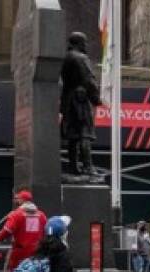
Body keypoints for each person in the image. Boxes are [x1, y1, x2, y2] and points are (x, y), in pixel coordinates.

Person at [60, 32, 100, 177]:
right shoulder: (81, 58)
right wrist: (96, 98)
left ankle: (73, 167)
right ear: (79, 43)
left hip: (68, 100)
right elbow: (89, 80)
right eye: (84, 42)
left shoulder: (65, 59)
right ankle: (88, 167)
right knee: (85, 134)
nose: (86, 45)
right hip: (80, 100)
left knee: (73, 136)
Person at [0, 189, 48, 272]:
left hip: (20, 253)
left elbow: (7, 231)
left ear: (23, 200)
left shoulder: (16, 215)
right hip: (37, 252)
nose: (16, 200)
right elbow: (46, 232)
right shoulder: (41, 215)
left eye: (18, 198)